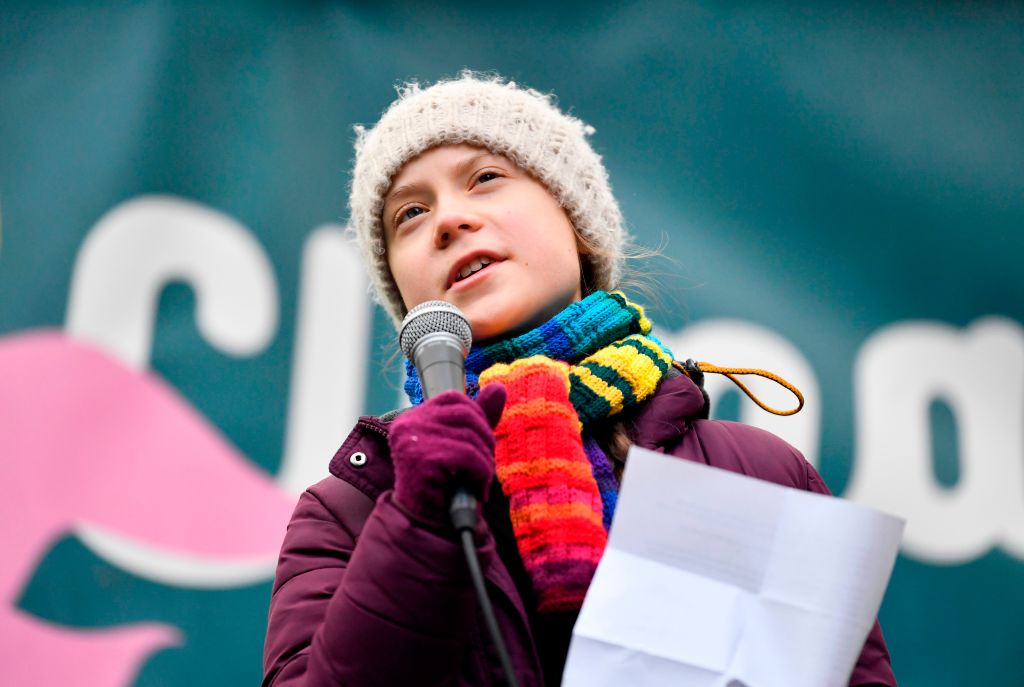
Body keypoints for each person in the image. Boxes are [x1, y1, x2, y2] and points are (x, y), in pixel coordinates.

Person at [262, 72, 896, 686]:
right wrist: (417, 526)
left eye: (485, 178)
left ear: (577, 223)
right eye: (409, 215)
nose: (447, 221)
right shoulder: (349, 511)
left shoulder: (758, 471)